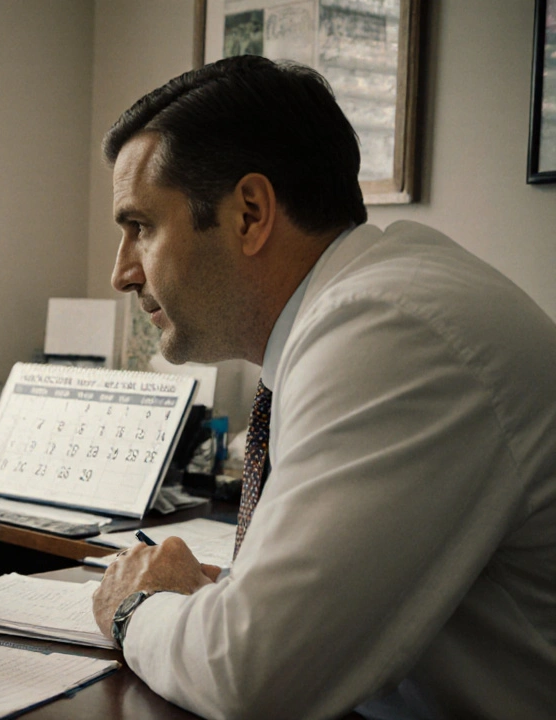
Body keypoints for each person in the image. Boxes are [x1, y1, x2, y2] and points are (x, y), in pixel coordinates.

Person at [91, 55, 556, 719]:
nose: (122, 273)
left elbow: (253, 676)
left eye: (140, 227)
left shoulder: (391, 330)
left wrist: (135, 608)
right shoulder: (367, 309)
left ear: (250, 213)